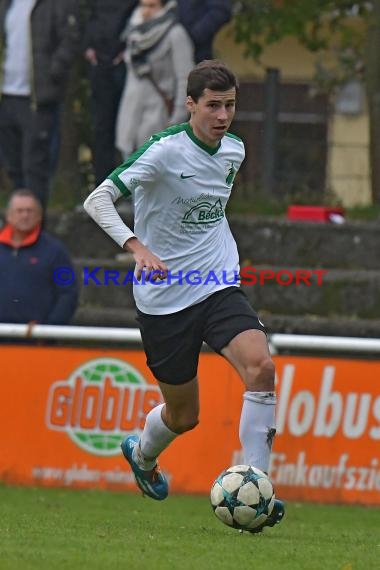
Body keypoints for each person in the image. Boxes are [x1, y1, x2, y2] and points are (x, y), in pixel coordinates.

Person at [84, 60, 285, 533]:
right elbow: (97, 200)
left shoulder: (234, 149)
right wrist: (136, 246)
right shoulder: (163, 152)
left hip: (216, 283)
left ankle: (259, 486)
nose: (222, 116)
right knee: (184, 415)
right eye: (212, 106)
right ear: (190, 104)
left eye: (230, 105)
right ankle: (142, 452)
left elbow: (207, 214)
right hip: (163, 299)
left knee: (262, 367)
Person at [0, 0, 80, 210]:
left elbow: (70, 39)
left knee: (35, 168)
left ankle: (36, 230)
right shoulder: (7, 4)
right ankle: (17, 228)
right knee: (13, 167)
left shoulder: (54, 4)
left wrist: (53, 72)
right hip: (7, 96)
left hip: (37, 99)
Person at [115, 0, 194, 158]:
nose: (146, 11)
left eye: (152, 6)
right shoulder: (134, 34)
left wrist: (177, 121)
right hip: (130, 117)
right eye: (143, 5)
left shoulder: (176, 34)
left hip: (159, 117)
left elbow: (185, 79)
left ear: (165, 7)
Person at [0, 189, 78, 325]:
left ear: (39, 216)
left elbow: (68, 293)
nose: (25, 216)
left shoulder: (55, 251)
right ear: (8, 215)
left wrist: (49, 329)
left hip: (37, 341)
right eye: (19, 211)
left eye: (30, 211)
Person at [83, 0, 138, 185]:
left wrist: (128, 50)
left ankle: (130, 187)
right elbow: (88, 17)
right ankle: (103, 187)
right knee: (102, 128)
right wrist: (88, 46)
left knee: (130, 127)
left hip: (126, 64)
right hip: (99, 64)